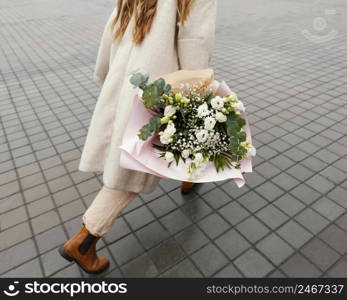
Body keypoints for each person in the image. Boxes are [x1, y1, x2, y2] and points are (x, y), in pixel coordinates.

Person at [59, 0, 217, 274]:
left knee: (148, 151)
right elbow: (195, 40)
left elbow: (114, 25)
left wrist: (105, 72)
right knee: (133, 170)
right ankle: (85, 240)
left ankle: (190, 175)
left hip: (129, 77)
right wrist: (196, 92)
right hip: (162, 84)